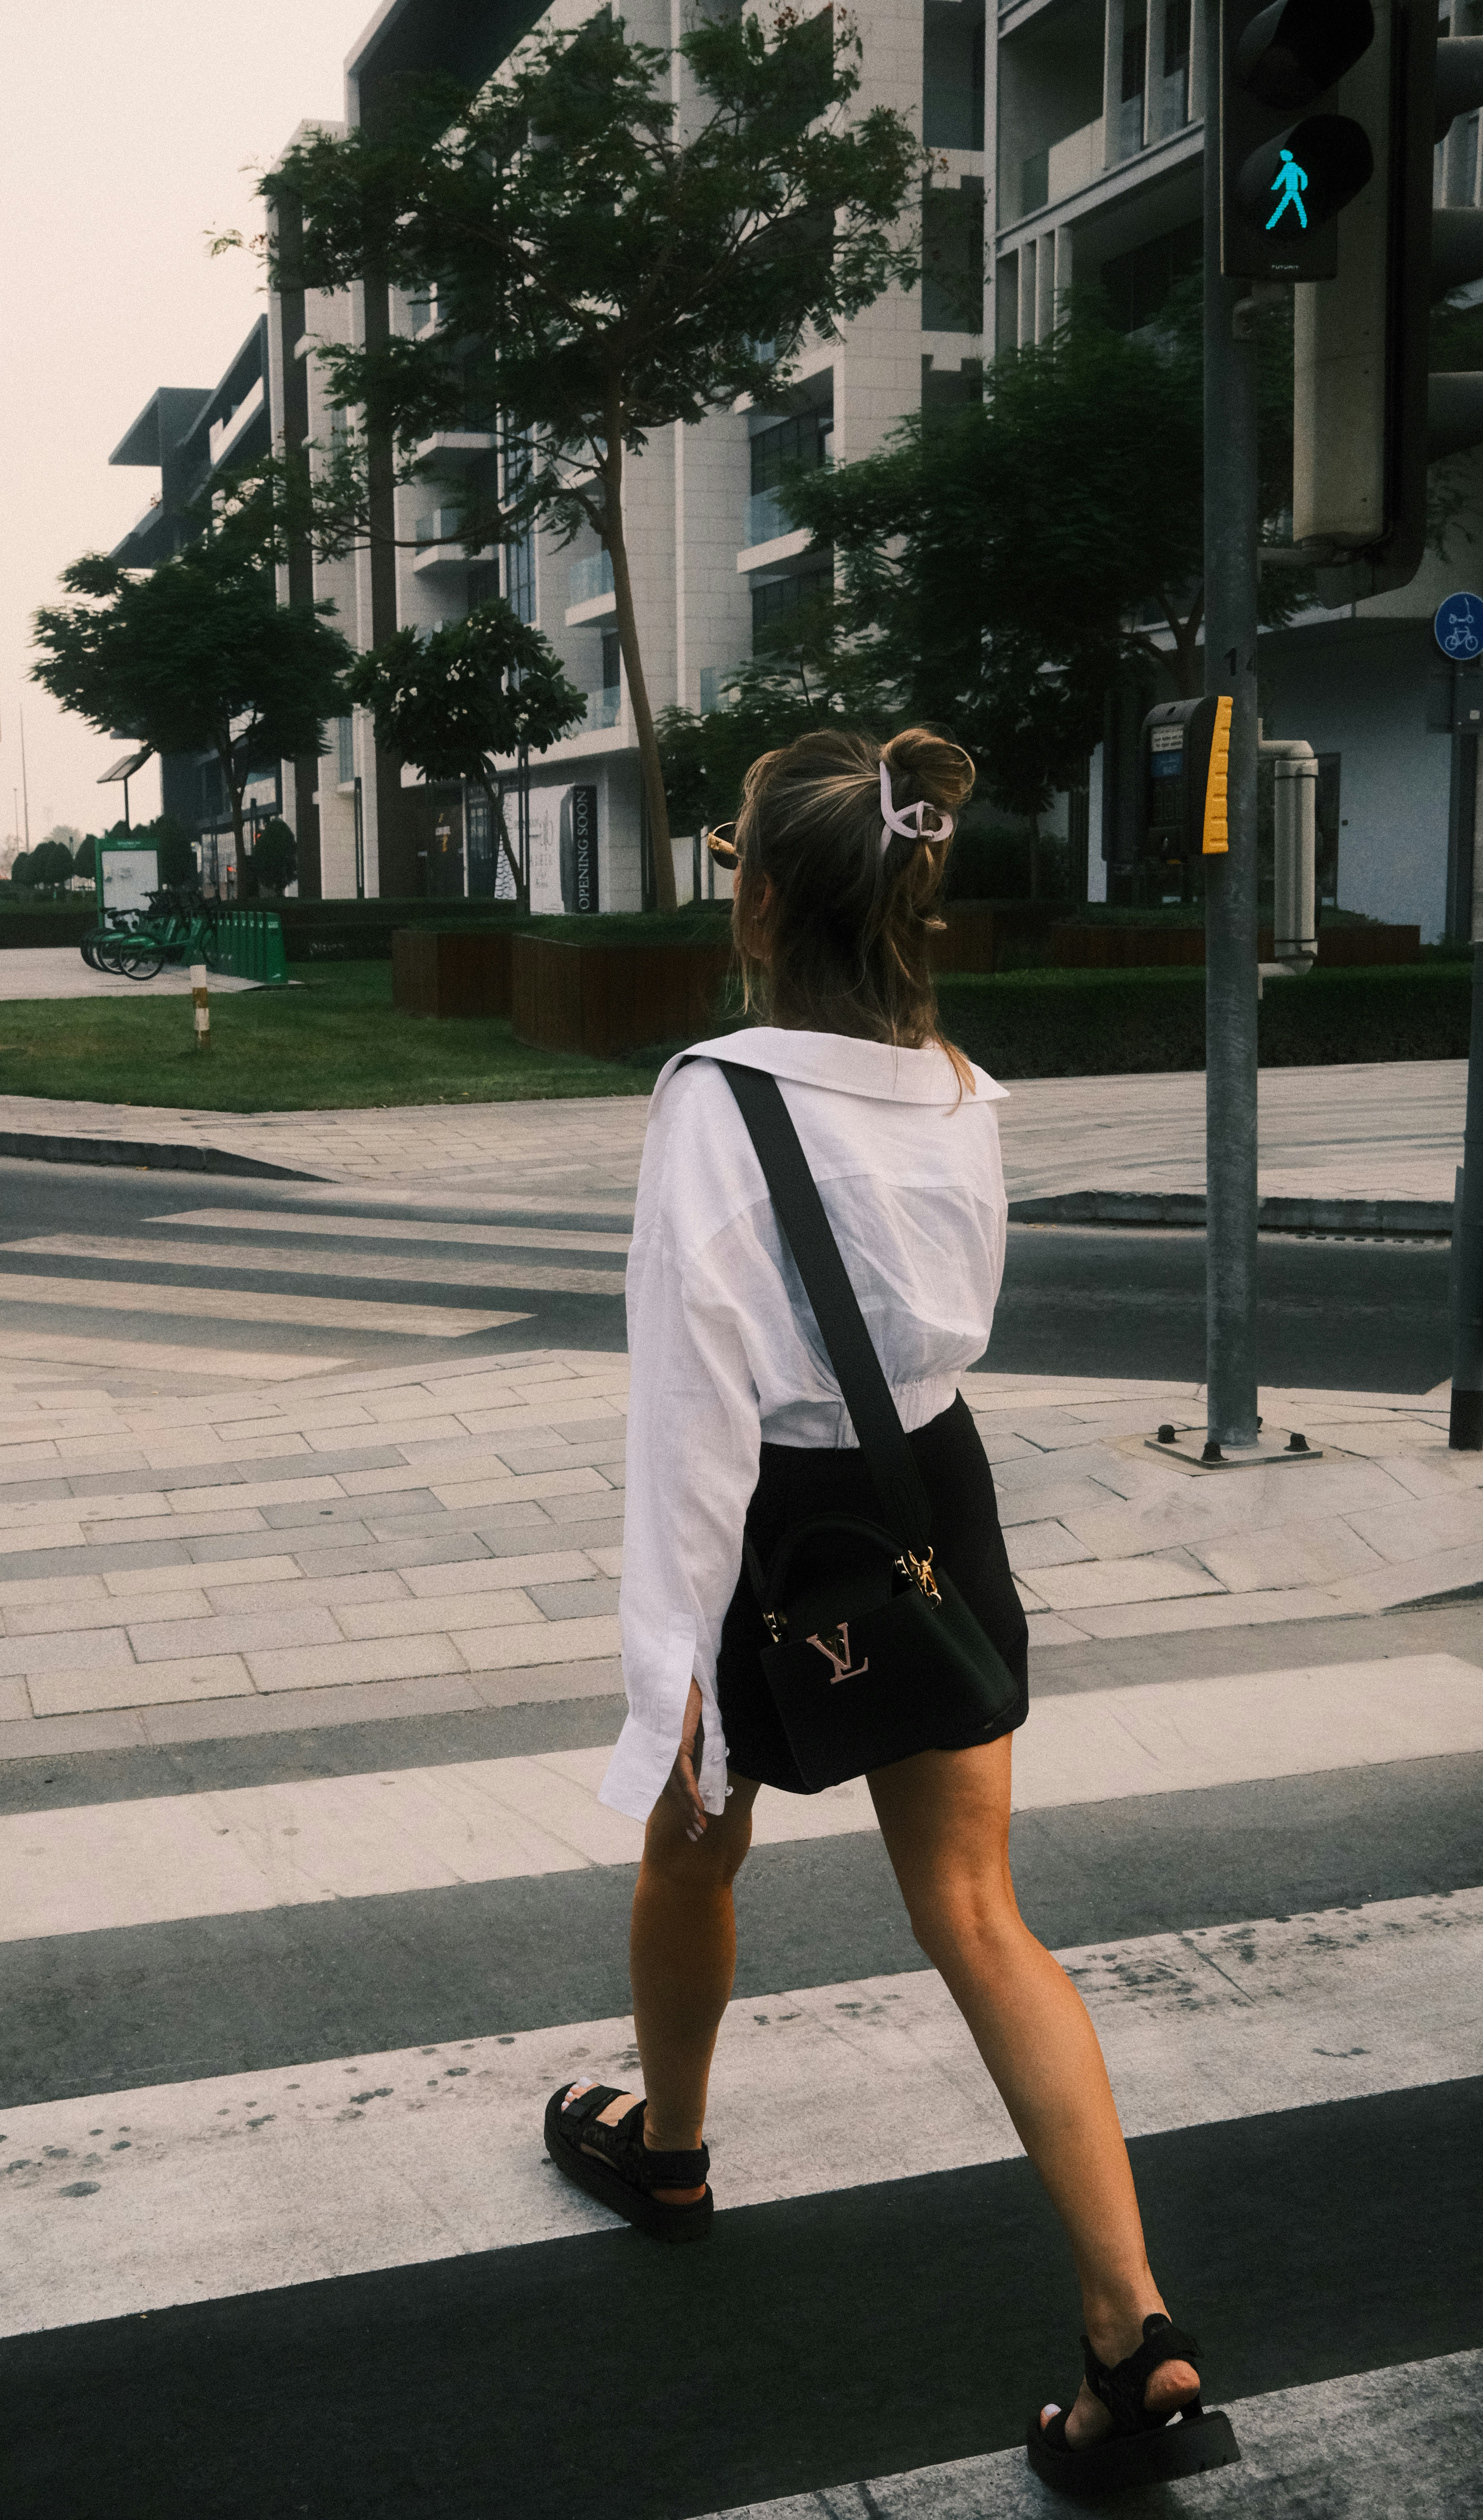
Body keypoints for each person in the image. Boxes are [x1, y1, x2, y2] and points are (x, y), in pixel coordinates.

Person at [544, 728, 1220, 2492]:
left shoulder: (714, 1091)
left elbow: (688, 1404)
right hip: (934, 1500)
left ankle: (670, 2148)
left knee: (695, 1846)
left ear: (760, 897)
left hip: (775, 1521)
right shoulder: (954, 1085)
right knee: (979, 1912)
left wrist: (664, 1668)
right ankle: (1126, 2329)